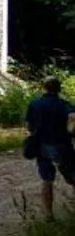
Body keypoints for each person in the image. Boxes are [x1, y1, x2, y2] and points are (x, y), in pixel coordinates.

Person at [26, 77, 74, 219]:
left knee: (47, 180)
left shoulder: (34, 104)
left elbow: (28, 126)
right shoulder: (63, 104)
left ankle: (48, 214)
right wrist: (71, 132)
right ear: (59, 88)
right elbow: (74, 117)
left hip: (40, 146)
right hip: (61, 144)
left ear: (43, 87)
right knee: (72, 176)